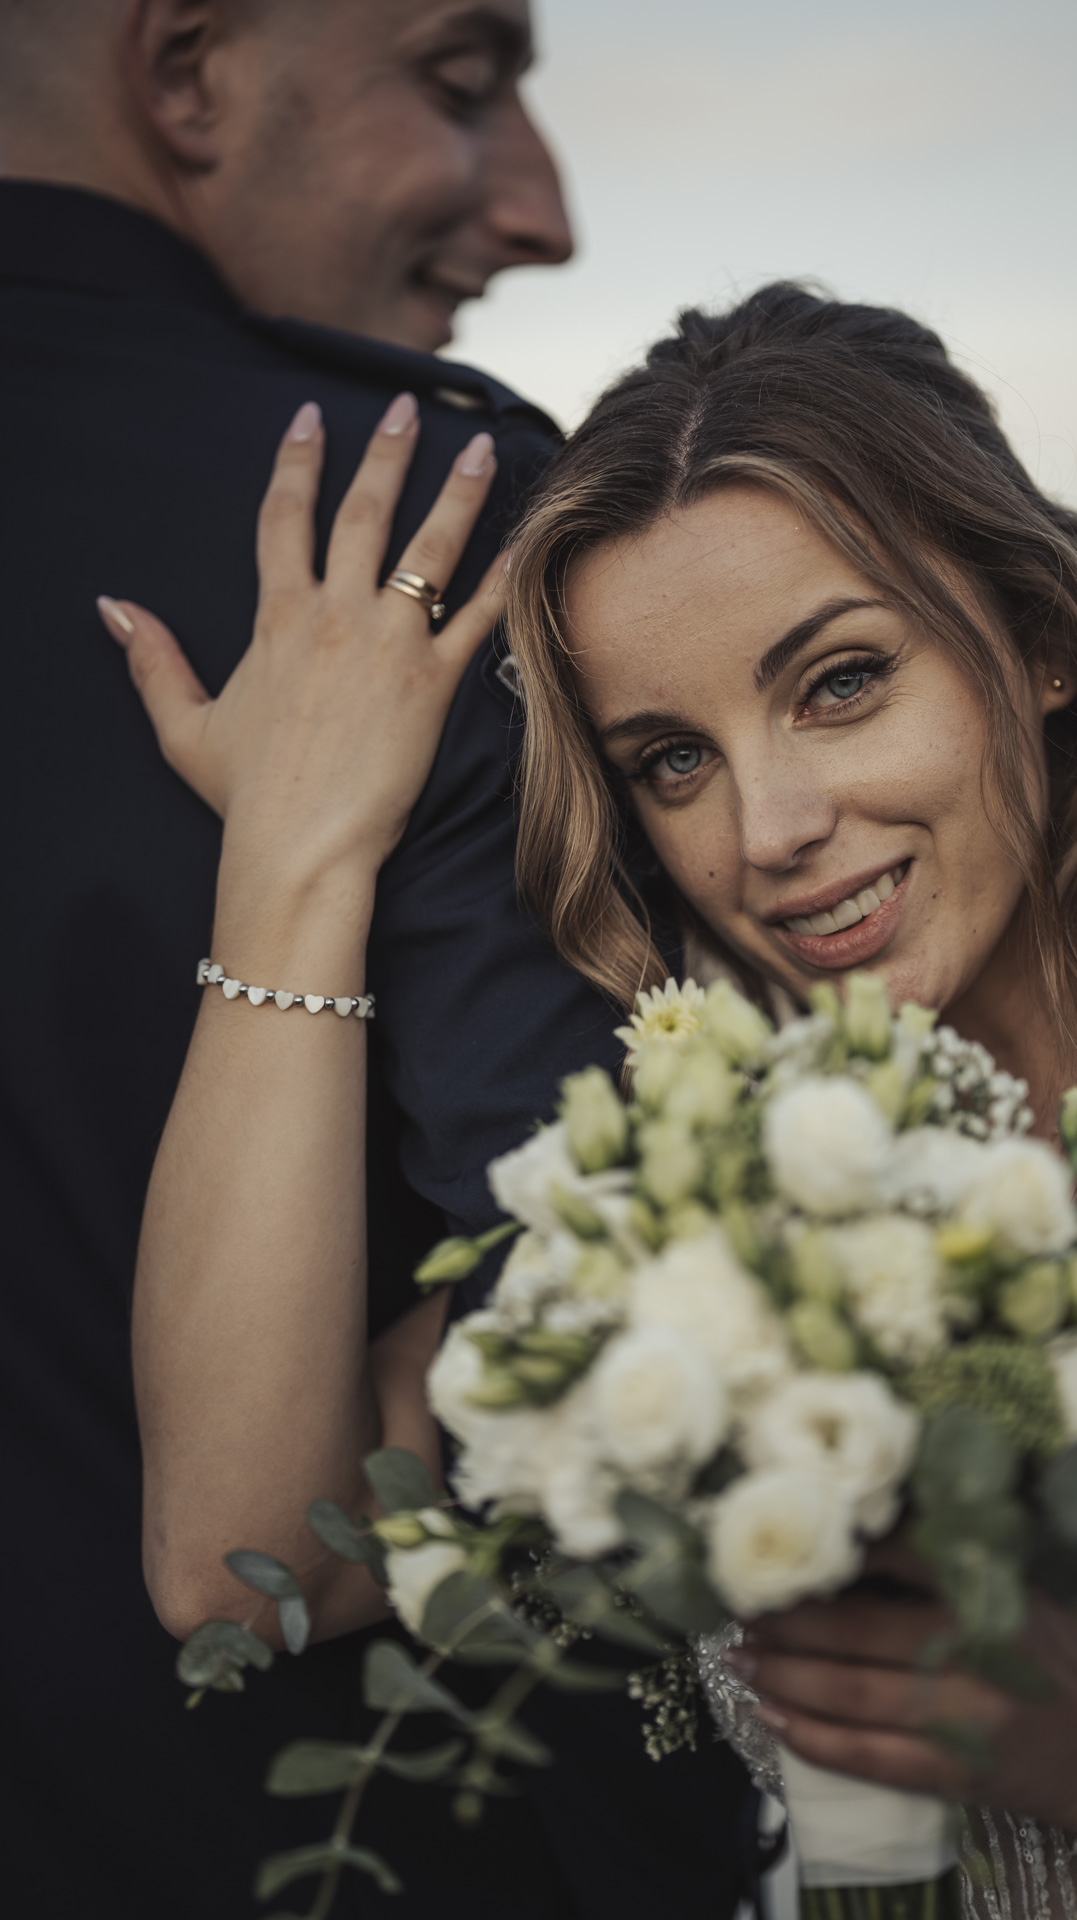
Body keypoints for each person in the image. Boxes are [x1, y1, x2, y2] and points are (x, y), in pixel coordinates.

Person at [115, 283, 1077, 1918]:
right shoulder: (731, 1204)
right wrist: (300, 861)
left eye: (841, 682)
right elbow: (250, 1566)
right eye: (672, 760)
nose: (767, 831)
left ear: (1040, 641)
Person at [0, 2, 751, 1915]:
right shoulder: (399, 531)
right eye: (460, 81)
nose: (544, 209)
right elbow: (596, 1325)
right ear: (187, 71)